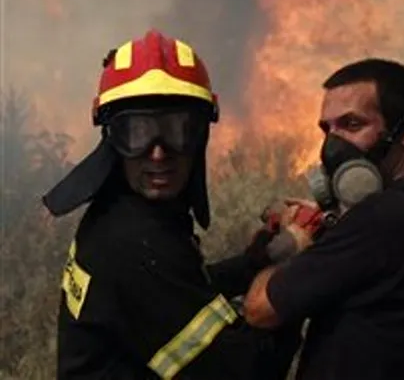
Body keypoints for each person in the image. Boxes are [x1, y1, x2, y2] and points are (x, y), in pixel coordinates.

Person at [43, 29, 308, 379]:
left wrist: (253, 264)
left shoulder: (123, 217)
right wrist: (299, 272)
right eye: (138, 133)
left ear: (200, 136)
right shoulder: (132, 244)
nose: (158, 152)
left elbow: (176, 287)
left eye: (178, 130)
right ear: (113, 139)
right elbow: (245, 372)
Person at [243, 58, 404, 380]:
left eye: (352, 125)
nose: (331, 146)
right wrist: (336, 225)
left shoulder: (382, 217)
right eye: (327, 129)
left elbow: (260, 309)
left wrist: (294, 240)